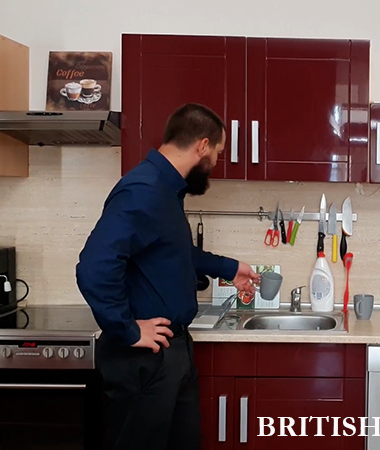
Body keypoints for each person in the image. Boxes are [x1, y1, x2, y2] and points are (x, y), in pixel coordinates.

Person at [75, 103, 260, 450]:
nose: (216, 163)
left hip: (171, 353)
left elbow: (172, 252)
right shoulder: (143, 190)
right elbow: (94, 267)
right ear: (202, 146)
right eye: (217, 153)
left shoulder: (166, 190)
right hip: (144, 360)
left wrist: (228, 268)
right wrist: (127, 329)